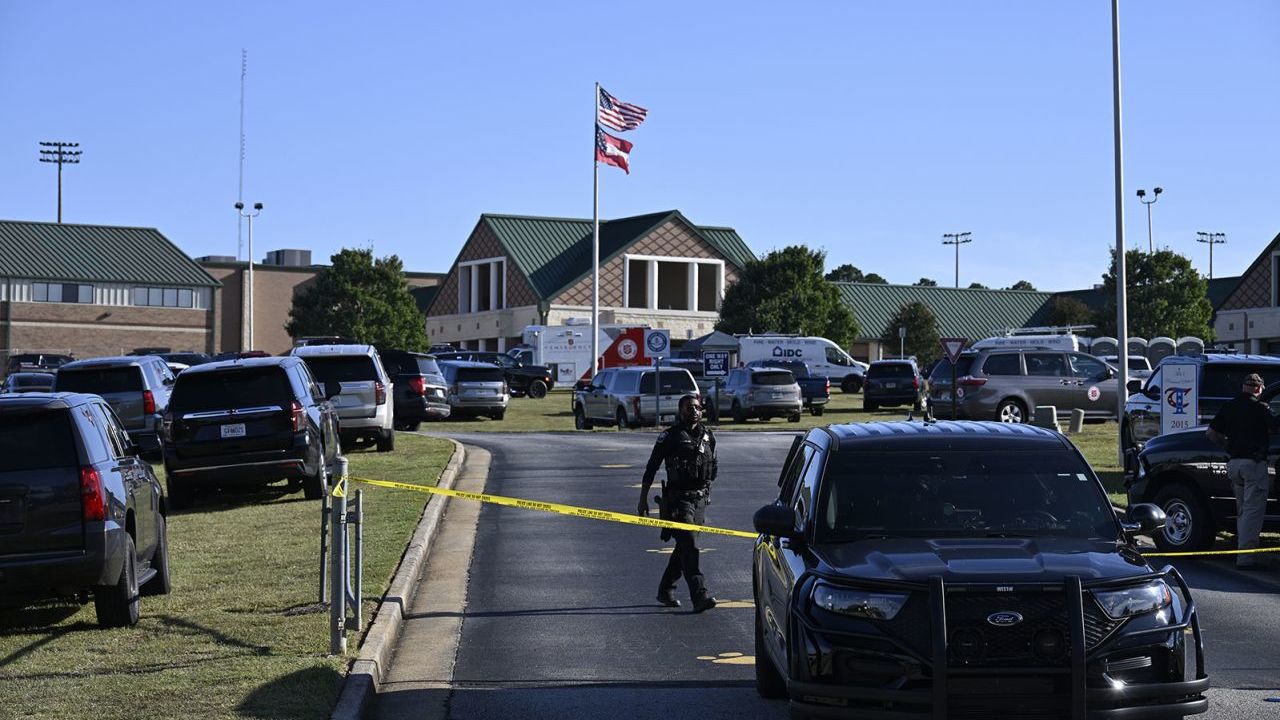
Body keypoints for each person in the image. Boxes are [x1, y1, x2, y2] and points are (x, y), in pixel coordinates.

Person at [638, 394, 718, 612]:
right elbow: (651, 467)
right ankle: (699, 595)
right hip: (678, 501)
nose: (694, 411)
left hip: (700, 499)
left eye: (697, 407)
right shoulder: (670, 437)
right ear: (680, 411)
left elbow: (713, 469)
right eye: (688, 407)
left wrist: (707, 493)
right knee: (690, 546)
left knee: (684, 547)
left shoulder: (708, 436)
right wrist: (642, 499)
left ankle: (666, 589)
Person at [1206, 373, 1276, 570]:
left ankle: (1242, 551)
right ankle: (1246, 558)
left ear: (1244, 387)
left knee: (1243, 511)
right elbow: (1275, 427)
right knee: (1253, 512)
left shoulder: (1229, 406)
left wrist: (1227, 446)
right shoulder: (1260, 408)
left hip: (1234, 464)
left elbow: (1210, 433)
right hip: (1253, 465)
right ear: (1258, 389)